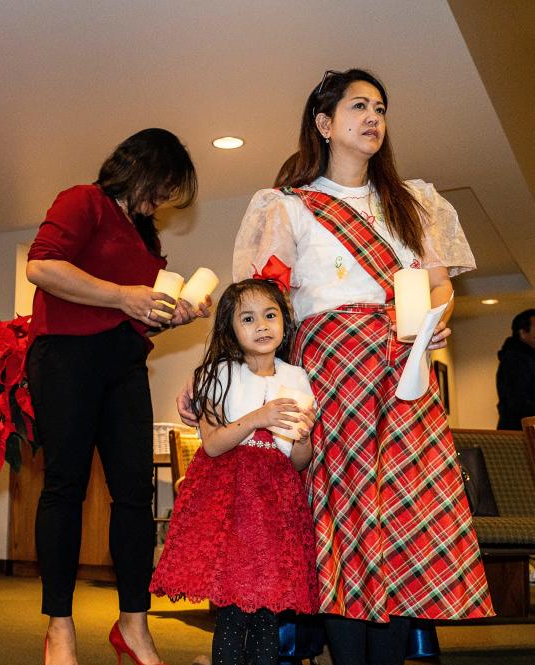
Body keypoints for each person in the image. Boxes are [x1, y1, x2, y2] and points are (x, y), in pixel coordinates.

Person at [177, 68, 492, 664]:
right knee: (344, 529)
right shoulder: (288, 208)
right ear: (325, 124)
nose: (374, 117)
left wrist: (437, 318)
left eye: (380, 107)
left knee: (403, 527)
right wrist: (212, 378)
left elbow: (439, 288)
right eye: (358, 107)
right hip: (333, 378)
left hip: (406, 376)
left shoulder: (415, 203)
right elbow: (259, 308)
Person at [26, 128, 208, 665]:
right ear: (140, 166)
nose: (165, 200)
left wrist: (168, 315)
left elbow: (131, 319)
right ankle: (59, 628)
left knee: (135, 493)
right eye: (164, 185)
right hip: (63, 358)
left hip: (123, 364)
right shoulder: (84, 200)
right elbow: (42, 266)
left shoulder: (146, 240)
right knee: (65, 487)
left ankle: (133, 624)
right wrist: (124, 295)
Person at [151, 279, 318, 665]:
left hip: (275, 503)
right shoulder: (216, 374)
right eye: (248, 318)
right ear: (230, 328)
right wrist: (260, 417)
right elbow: (212, 444)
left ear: (284, 322)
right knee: (233, 610)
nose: (261, 325)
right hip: (232, 502)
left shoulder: (296, 378)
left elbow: (297, 460)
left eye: (270, 315)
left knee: (266, 612)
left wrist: (304, 437)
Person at [495, 308, 535, 430]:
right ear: (523, 333)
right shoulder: (515, 360)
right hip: (520, 433)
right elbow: (518, 402)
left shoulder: (526, 358)